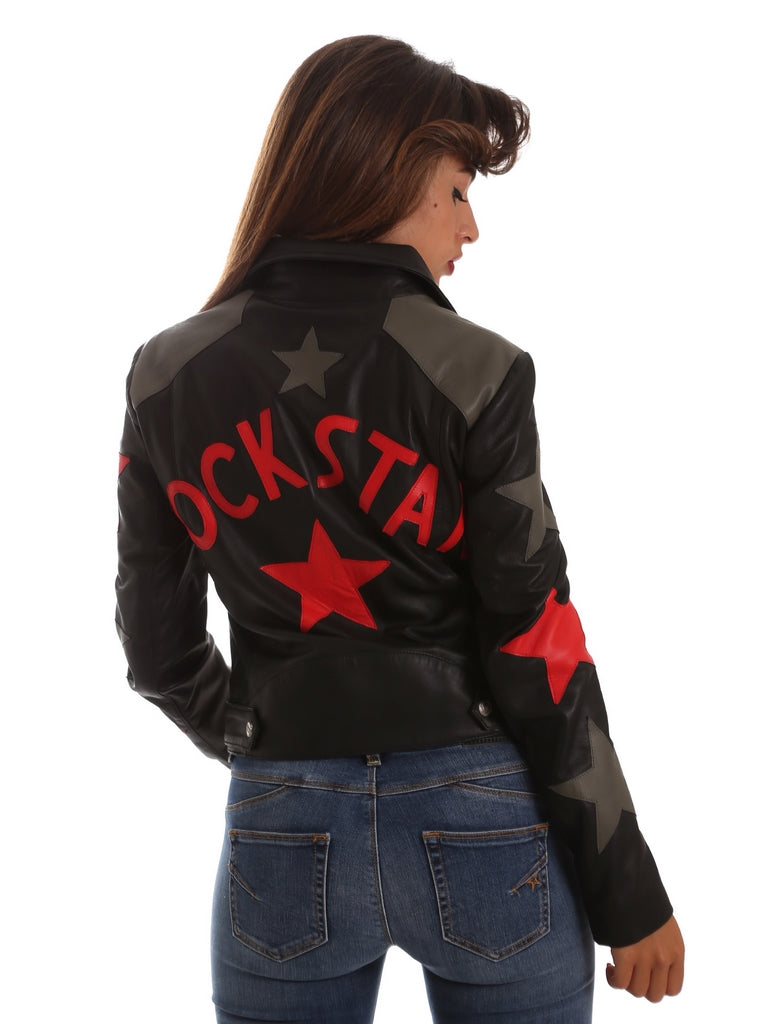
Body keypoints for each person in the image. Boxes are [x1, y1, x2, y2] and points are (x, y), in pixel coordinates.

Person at [115, 35, 684, 1023]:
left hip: (281, 821)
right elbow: (537, 645)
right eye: (457, 189)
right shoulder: (480, 370)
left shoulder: (167, 373)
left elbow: (156, 650)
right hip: (484, 819)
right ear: (387, 169)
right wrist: (629, 894)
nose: (471, 227)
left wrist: (261, 732)